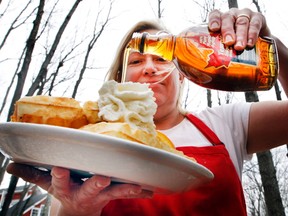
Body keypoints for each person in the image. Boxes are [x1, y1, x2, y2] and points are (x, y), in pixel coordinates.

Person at [6, 8, 288, 216]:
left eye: (161, 58)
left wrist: (273, 45)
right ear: (120, 79)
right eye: (137, 60)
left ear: (182, 76)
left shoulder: (225, 123)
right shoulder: (85, 138)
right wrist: (77, 207)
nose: (149, 68)